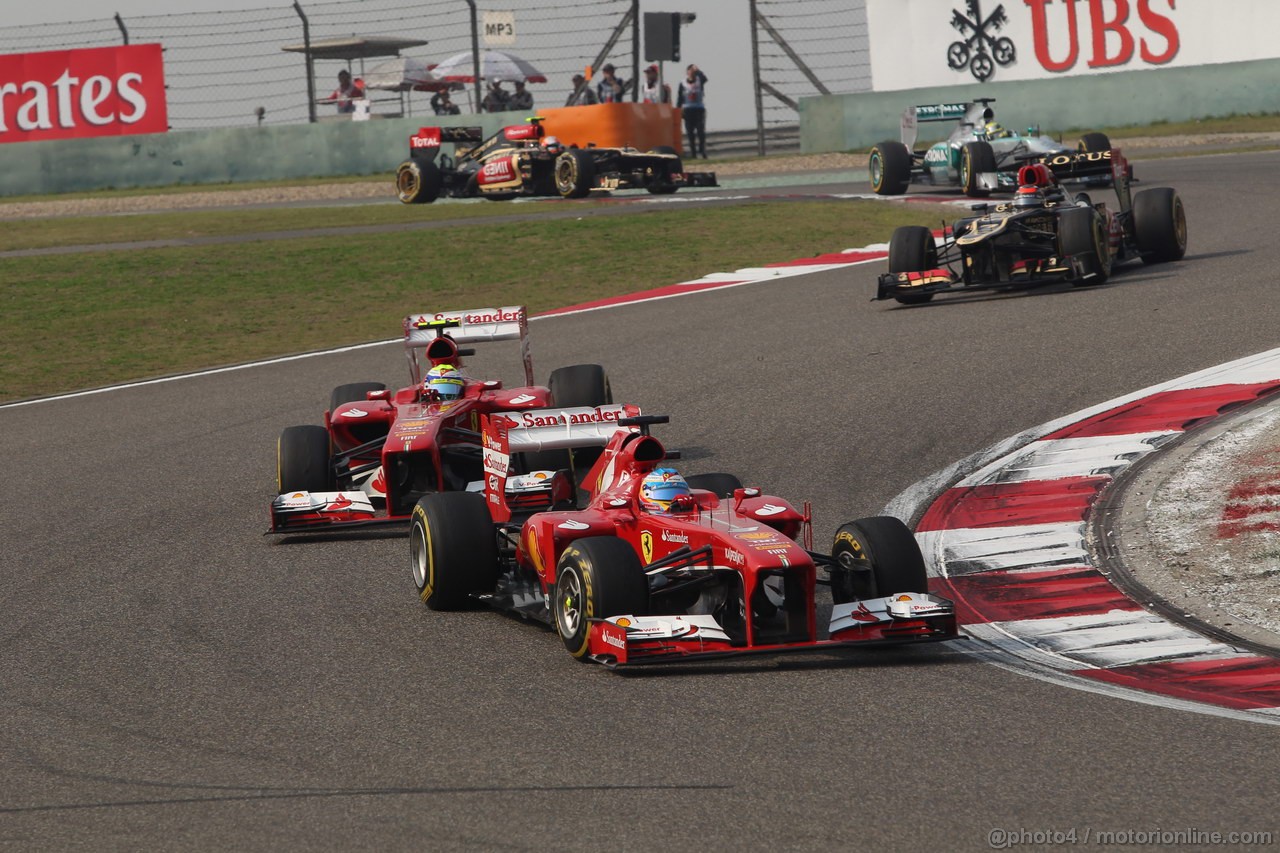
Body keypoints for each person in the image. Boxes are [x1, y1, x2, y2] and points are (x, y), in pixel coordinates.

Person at [676, 63, 708, 158]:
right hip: (687, 110)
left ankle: (702, 151)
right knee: (690, 133)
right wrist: (678, 110)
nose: (692, 72)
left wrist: (698, 70)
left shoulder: (699, 80)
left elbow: (704, 78)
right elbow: (680, 98)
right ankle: (693, 153)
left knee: (700, 132)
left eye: (693, 71)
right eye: (690, 70)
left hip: (699, 109)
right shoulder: (682, 83)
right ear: (687, 72)